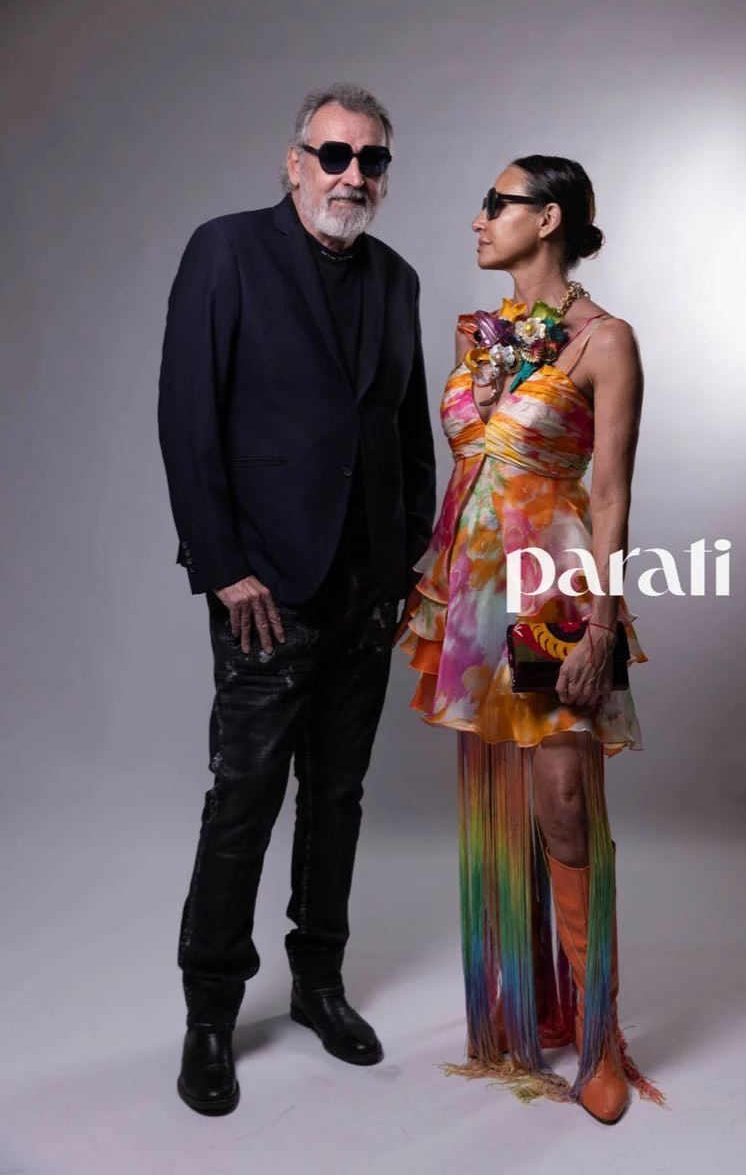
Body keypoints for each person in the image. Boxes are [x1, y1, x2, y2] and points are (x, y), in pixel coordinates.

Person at [158, 82, 436, 1116]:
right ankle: (210, 1012)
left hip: (368, 589)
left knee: (338, 797)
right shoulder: (227, 250)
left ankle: (319, 984)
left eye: (370, 160)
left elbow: (407, 435)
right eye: (333, 155)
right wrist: (222, 563)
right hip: (264, 587)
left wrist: (409, 563)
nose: (351, 176)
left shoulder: (397, 279)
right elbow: (187, 413)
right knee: (243, 798)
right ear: (295, 163)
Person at [398, 156, 664, 1124]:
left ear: (547, 219)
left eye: (495, 204)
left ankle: (597, 1034)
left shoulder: (605, 340)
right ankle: (519, 1011)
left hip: (551, 590)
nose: (477, 220)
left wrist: (602, 625)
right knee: (501, 803)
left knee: (562, 798)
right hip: (473, 594)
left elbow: (609, 495)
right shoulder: (476, 335)